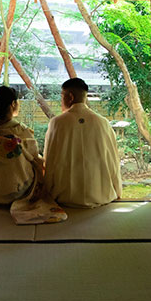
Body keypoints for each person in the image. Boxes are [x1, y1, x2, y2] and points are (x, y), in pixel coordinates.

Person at [43, 77, 122, 207]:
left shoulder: (57, 122)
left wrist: (47, 192)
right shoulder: (102, 122)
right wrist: (117, 189)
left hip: (65, 196)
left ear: (70, 97)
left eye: (62, 97)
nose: (61, 101)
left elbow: (50, 160)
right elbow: (113, 159)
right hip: (101, 194)